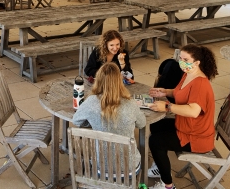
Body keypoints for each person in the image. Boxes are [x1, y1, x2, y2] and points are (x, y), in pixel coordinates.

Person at [146, 44, 218, 189]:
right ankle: (160, 165)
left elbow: (193, 111)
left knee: (155, 141)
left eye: (185, 59)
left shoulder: (200, 84)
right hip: (187, 127)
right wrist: (165, 92)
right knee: (156, 124)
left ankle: (168, 186)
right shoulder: (188, 73)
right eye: (180, 58)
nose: (181, 62)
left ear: (197, 63)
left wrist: (167, 106)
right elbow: (180, 92)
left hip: (196, 136)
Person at [73, 63, 145, 173]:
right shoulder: (131, 104)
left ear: (98, 80)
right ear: (119, 81)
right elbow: (142, 123)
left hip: (100, 169)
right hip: (130, 169)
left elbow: (76, 120)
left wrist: (93, 121)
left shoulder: (91, 102)